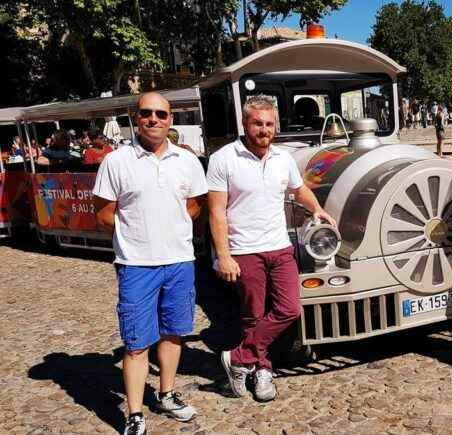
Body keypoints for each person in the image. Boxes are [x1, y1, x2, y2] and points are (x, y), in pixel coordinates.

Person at [207, 95, 336, 402]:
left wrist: (317, 209)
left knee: (289, 309)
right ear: (245, 123)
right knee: (252, 316)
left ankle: (238, 358)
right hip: (245, 249)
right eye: (257, 123)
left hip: (279, 247)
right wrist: (223, 255)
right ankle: (262, 370)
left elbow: (299, 189)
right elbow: (216, 212)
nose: (264, 130)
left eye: (269, 124)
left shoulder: (282, 158)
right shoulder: (223, 158)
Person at [93, 92, 208, 435]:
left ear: (170, 119)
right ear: (136, 117)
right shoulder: (117, 161)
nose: (154, 119)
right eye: (147, 113)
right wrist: (138, 233)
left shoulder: (186, 161)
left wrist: (167, 227)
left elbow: (195, 205)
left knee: (174, 333)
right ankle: (134, 413)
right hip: (136, 266)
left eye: (161, 113)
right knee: (137, 342)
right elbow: (103, 213)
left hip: (179, 262)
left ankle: (167, 393)